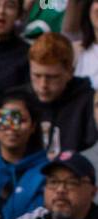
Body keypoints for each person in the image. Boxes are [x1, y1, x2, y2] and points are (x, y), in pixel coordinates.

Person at [23, 31, 97, 161]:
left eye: (52, 77)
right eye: (36, 75)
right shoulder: (20, 100)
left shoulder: (88, 103)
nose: (43, 85)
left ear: (70, 72)